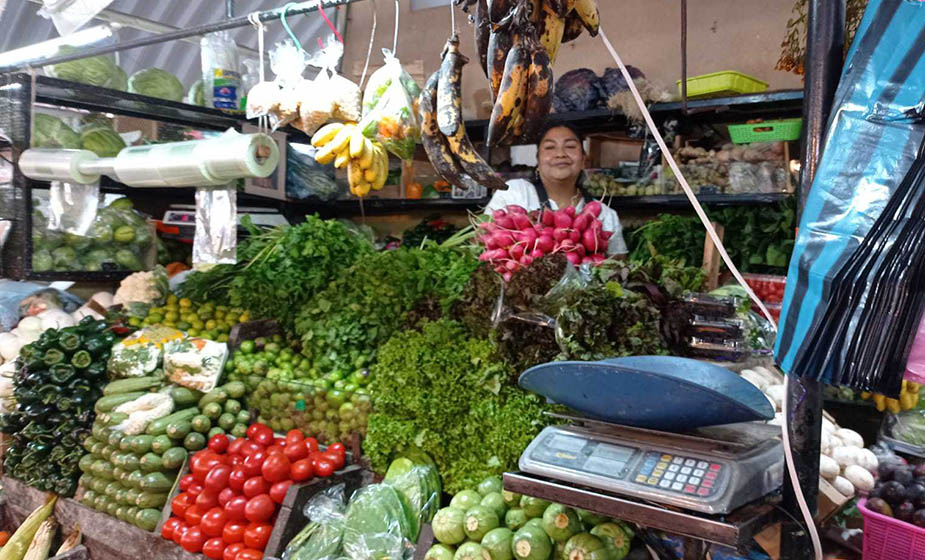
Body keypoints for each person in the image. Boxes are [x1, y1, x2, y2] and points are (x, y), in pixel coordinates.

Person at [485, 122, 628, 257]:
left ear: (584, 159)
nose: (560, 154)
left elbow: (615, 266)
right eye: (549, 147)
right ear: (538, 160)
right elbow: (483, 243)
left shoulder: (605, 215)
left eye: (570, 146)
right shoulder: (515, 192)